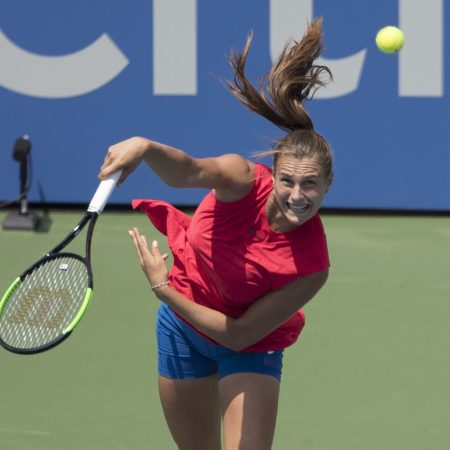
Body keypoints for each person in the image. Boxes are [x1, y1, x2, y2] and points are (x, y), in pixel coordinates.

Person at [99, 18, 333, 450]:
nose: (297, 195)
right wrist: (146, 147)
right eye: (289, 181)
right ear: (273, 174)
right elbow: (186, 170)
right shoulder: (240, 179)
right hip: (183, 330)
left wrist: (163, 288)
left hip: (247, 346)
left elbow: (240, 334)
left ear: (327, 187)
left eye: (310, 185)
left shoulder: (312, 265)